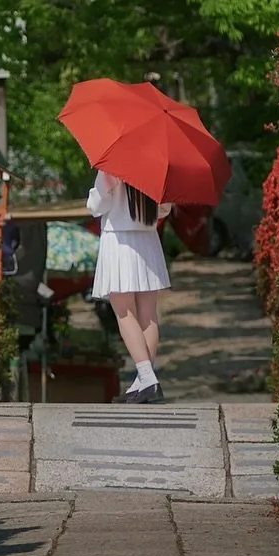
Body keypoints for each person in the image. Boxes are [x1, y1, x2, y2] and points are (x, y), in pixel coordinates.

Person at [86, 169, 172, 402]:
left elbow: (95, 206)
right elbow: (165, 208)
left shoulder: (113, 166)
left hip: (119, 238)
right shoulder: (156, 168)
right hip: (148, 239)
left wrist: (109, 187)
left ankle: (146, 377)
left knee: (124, 312)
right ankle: (145, 380)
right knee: (148, 314)